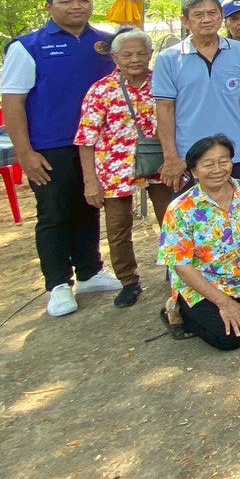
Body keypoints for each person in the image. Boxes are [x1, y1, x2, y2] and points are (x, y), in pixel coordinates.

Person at [0, 0, 122, 319]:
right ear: (49, 7)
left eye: (83, 0)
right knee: (54, 213)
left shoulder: (106, 44)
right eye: (66, 1)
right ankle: (57, 284)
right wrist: (25, 153)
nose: (76, 7)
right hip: (51, 146)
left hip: (99, 145)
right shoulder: (28, 47)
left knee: (89, 204)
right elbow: (13, 102)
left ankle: (90, 271)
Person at [157, 134, 240, 348]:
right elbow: (181, 266)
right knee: (233, 338)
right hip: (202, 283)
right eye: (208, 164)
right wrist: (224, 303)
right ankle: (177, 310)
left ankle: (239, 303)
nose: (218, 169)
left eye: (223, 161)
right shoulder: (180, 208)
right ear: (194, 171)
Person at [75, 28, 165, 309]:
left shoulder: (162, 84)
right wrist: (91, 182)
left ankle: (177, 270)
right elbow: (85, 139)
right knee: (117, 228)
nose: (135, 59)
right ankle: (129, 281)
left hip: (159, 165)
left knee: (173, 221)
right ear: (115, 57)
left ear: (151, 55)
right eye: (127, 54)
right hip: (115, 171)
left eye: (141, 53)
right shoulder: (101, 90)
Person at [154, 0, 240, 184]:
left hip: (236, 151)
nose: (207, 19)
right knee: (194, 212)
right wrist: (171, 156)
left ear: (221, 16)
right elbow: (164, 109)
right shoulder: (169, 59)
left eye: (212, 13)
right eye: (198, 15)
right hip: (190, 155)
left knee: (237, 210)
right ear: (185, 21)